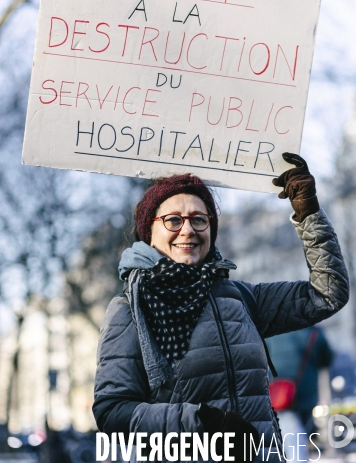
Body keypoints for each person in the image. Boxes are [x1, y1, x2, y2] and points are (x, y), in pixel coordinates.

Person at [93, 153, 349, 462]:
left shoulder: (240, 298)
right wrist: (203, 421)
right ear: (149, 231)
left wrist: (308, 213)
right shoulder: (129, 310)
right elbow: (112, 412)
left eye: (199, 219)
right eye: (173, 220)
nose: (187, 230)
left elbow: (328, 293)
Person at [266, 326, 333, 461]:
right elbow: (327, 358)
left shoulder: (271, 331)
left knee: (291, 437)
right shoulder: (314, 331)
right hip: (307, 394)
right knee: (302, 436)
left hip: (280, 393)